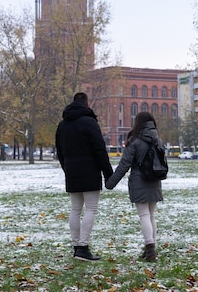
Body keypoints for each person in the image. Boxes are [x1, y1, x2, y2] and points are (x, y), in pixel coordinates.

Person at [56, 92, 113, 261]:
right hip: (89, 171)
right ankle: (83, 246)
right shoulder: (90, 122)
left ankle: (76, 246)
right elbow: (100, 149)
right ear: (87, 104)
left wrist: (67, 168)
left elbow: (60, 151)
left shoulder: (62, 125)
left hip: (72, 170)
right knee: (91, 208)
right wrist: (108, 173)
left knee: (75, 209)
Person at [105, 111, 163, 261]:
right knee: (150, 215)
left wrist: (110, 183)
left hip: (140, 180)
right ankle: (151, 248)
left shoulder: (135, 141)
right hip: (155, 180)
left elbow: (124, 165)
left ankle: (150, 248)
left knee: (144, 215)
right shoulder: (157, 139)